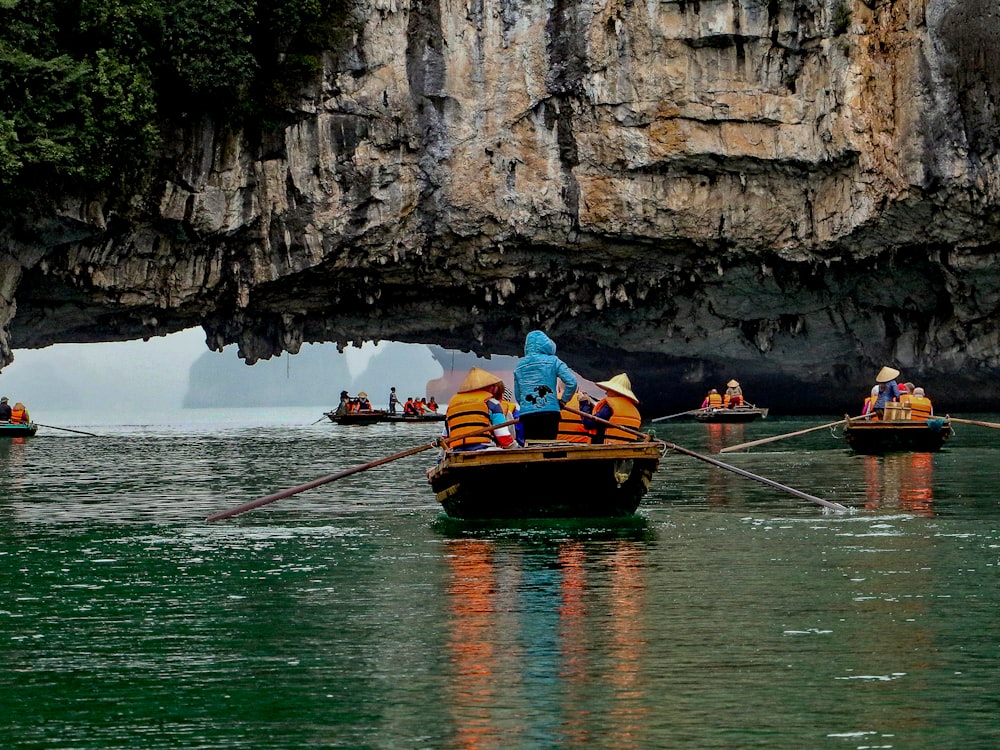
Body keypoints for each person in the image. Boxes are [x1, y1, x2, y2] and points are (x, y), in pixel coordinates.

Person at [514, 330, 578, 442]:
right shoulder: (554, 361)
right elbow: (572, 382)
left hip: (527, 414)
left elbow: (518, 396)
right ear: (547, 345)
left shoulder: (519, 366)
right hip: (550, 413)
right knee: (549, 447)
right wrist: (563, 401)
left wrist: (527, 406)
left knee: (532, 449)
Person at [443, 367, 515, 450]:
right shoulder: (492, 403)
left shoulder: (452, 404)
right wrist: (516, 448)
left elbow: (445, 436)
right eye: (494, 386)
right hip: (483, 448)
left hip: (457, 450)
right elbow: (503, 435)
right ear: (490, 387)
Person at [583, 373, 642, 444]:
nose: (606, 392)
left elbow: (589, 424)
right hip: (626, 448)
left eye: (609, 390)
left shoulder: (610, 406)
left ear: (616, 391)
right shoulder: (634, 410)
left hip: (606, 449)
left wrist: (584, 403)